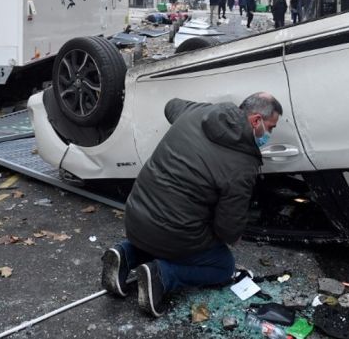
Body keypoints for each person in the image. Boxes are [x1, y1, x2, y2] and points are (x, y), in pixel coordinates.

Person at [101, 93, 283, 318]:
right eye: (270, 128)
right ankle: (163, 276)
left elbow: (170, 104)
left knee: (168, 227)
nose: (269, 135)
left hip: (135, 217)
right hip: (173, 236)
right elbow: (227, 229)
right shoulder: (243, 165)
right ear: (256, 121)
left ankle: (125, 254)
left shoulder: (199, 112)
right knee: (223, 266)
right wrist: (232, 233)